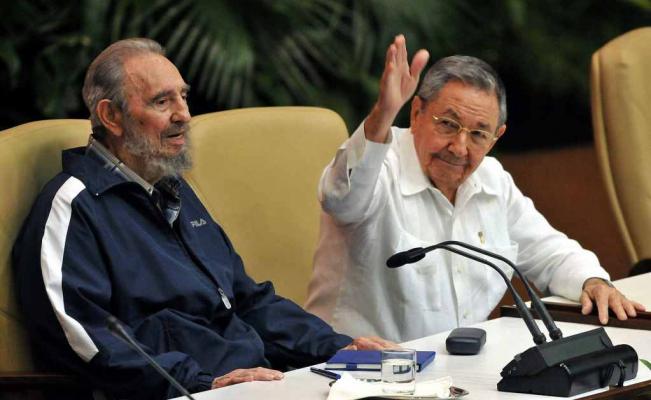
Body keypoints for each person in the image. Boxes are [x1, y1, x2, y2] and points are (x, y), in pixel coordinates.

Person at [12, 38, 393, 400]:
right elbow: (86, 339)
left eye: (183, 96)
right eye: (162, 101)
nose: (184, 115)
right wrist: (202, 384)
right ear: (111, 116)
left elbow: (246, 301)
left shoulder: (172, 189)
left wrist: (338, 348)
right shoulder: (73, 206)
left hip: (253, 384)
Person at [305, 34, 645, 343]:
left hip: (456, 371)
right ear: (417, 112)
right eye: (448, 124)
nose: (459, 148)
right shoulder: (381, 165)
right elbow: (341, 200)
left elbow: (552, 254)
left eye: (479, 134)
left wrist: (593, 281)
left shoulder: (492, 179)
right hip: (354, 369)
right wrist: (383, 113)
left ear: (496, 138)